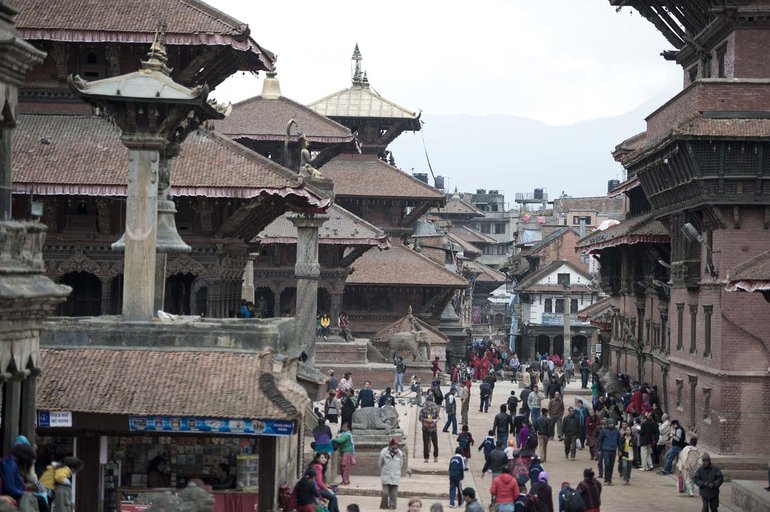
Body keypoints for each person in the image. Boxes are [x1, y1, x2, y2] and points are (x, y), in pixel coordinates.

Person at [379, 438, 403, 510]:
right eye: (393, 445)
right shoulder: (384, 452)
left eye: (396, 445)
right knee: (385, 493)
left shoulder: (400, 453)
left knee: (394, 494)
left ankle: (392, 507)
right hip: (386, 475)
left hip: (395, 475)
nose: (395, 447)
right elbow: (380, 464)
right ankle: (384, 506)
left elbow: (400, 465)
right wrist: (382, 472)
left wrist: (397, 472)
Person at [597, 418, 623, 485]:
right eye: (610, 424)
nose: (611, 425)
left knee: (611, 465)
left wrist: (620, 450)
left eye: (612, 424)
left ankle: (609, 480)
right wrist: (599, 449)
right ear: (607, 424)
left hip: (613, 450)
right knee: (607, 464)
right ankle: (606, 478)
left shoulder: (616, 431)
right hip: (605, 450)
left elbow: (619, 441)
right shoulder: (603, 431)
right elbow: (600, 440)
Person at [420, 394, 441, 462]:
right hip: (425, 428)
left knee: (435, 443)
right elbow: (420, 417)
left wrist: (435, 420)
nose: (429, 403)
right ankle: (426, 457)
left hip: (433, 428)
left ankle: (435, 456)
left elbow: (438, 417)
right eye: (428, 401)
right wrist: (426, 420)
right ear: (426, 401)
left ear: (432, 402)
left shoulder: (435, 409)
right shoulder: (423, 409)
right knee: (425, 444)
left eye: (430, 401)